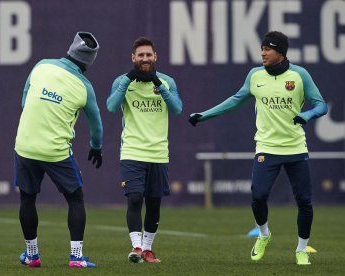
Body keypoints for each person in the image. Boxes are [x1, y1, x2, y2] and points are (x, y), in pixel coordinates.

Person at [189, 31, 327, 265]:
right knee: (258, 196)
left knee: (304, 201)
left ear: (281, 53)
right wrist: (204, 115)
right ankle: (264, 234)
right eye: (262, 48)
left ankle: (301, 249)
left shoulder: (300, 75)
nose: (262, 52)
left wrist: (307, 115)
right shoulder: (255, 75)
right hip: (266, 148)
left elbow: (321, 105)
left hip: (295, 148)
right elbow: (234, 100)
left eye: (268, 48)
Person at [14, 31, 103, 269]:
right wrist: (96, 147)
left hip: (25, 145)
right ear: (90, 61)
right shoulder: (85, 86)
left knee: (27, 198)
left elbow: (24, 100)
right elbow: (96, 126)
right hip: (55, 151)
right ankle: (76, 257)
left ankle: (32, 255)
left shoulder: (41, 65)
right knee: (75, 199)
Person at [107, 37, 182, 263]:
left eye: (149, 55)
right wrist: (129, 79)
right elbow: (111, 106)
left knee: (154, 202)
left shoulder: (166, 82)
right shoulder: (122, 81)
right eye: (141, 55)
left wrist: (158, 84)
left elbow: (177, 109)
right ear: (133, 58)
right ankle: (137, 247)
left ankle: (148, 250)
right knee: (135, 199)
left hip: (158, 153)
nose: (145, 58)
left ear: (155, 57)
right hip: (132, 152)